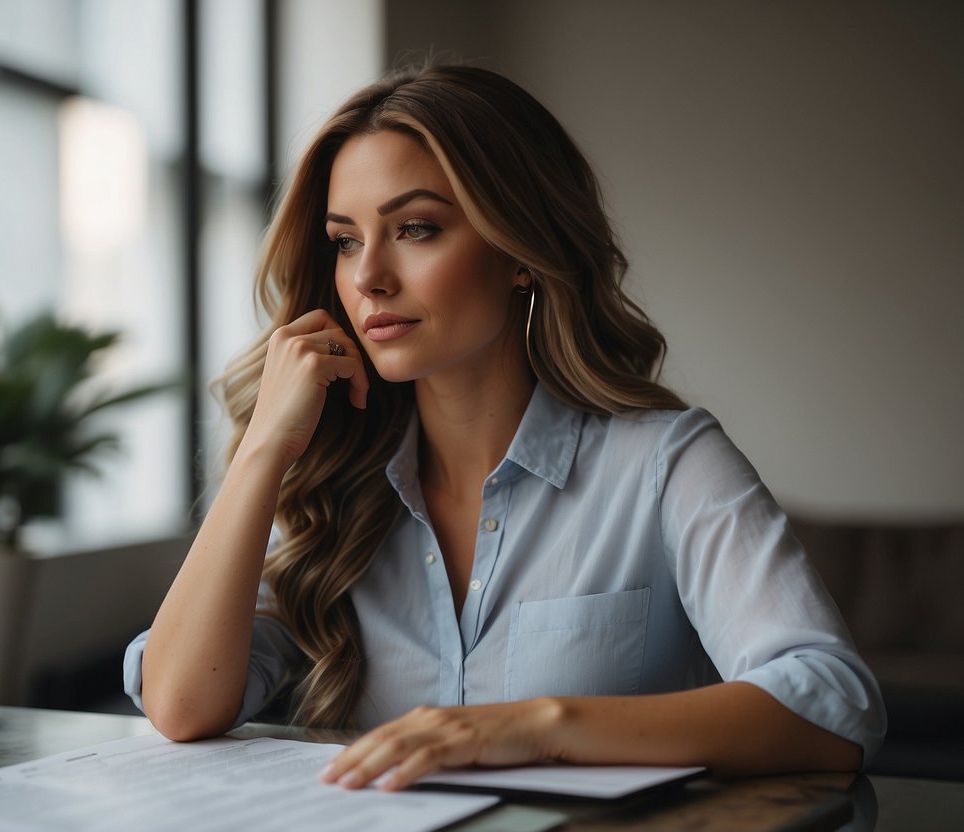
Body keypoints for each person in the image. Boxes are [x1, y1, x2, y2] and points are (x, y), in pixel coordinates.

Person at [124, 62, 885, 792]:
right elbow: (183, 705)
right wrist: (264, 449)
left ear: (519, 251)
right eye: (346, 239)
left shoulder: (665, 463)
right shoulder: (336, 486)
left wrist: (539, 726)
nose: (366, 278)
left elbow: (832, 701)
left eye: (416, 228)